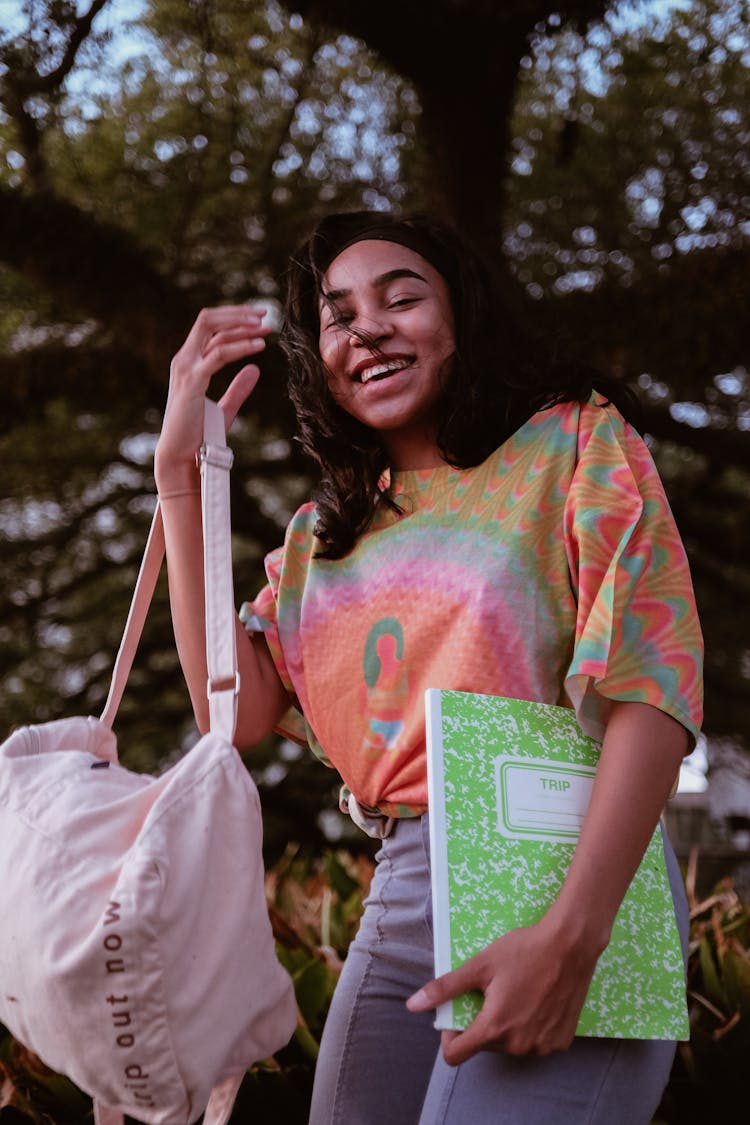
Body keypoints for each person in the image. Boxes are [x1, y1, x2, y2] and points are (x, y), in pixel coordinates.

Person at [154, 211, 703, 1125]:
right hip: (403, 880)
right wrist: (182, 472)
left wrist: (574, 933)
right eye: (338, 315)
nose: (368, 326)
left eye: (401, 296)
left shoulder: (572, 442)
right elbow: (235, 714)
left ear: (461, 318)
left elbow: (650, 682)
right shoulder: (317, 541)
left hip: (563, 857)